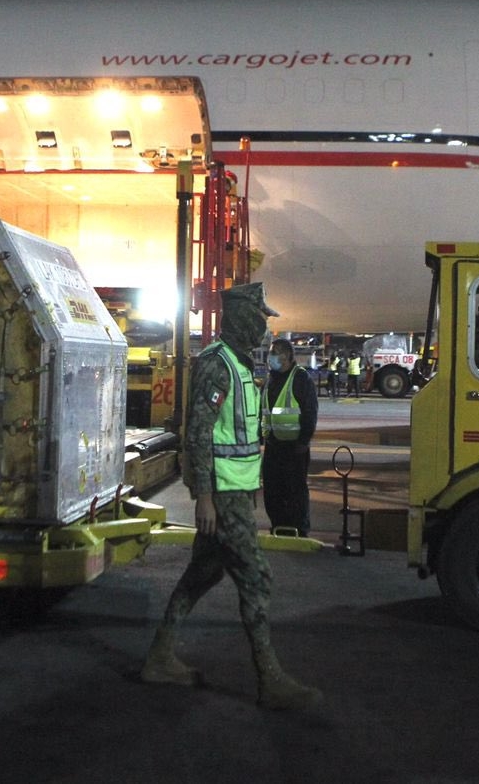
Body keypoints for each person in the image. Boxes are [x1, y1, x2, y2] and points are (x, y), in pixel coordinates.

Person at [140, 283, 322, 712]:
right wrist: (202, 496)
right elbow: (199, 433)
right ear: (241, 318)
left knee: (204, 573)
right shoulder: (217, 365)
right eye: (259, 318)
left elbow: (238, 435)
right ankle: (269, 677)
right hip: (220, 494)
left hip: (235, 489)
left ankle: (160, 657)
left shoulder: (240, 365)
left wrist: (251, 485)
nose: (264, 327)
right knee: (257, 578)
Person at [261, 337, 318, 537]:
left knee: (295, 491)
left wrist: (303, 441)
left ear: (286, 356)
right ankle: (279, 526)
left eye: (274, 353)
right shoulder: (271, 380)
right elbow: (265, 412)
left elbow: (310, 412)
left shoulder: (301, 379)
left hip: (295, 448)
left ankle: (299, 530)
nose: (271, 357)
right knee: (272, 490)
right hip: (273, 446)